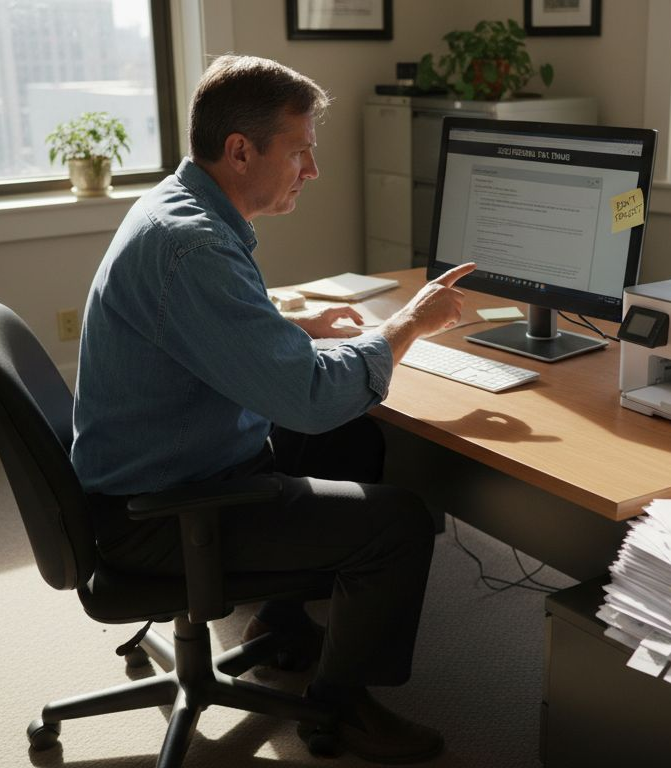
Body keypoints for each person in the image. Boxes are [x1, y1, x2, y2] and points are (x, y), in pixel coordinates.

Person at [70, 54, 474, 764]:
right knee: (399, 520)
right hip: (162, 512)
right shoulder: (194, 245)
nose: (312, 170)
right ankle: (338, 708)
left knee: (350, 441)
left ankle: (286, 622)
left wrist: (296, 330)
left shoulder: (181, 208)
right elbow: (312, 398)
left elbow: (212, 336)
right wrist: (407, 323)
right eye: (301, 151)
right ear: (239, 151)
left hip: (157, 465)